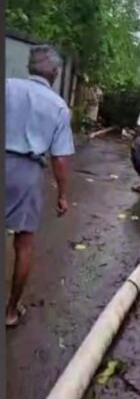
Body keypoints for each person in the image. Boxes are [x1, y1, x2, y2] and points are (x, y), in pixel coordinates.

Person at [5, 45, 75, 327]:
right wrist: (62, 195)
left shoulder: (7, 86)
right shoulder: (58, 106)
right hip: (27, 173)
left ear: (29, 67)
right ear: (56, 73)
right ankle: (10, 311)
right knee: (24, 244)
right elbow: (59, 158)